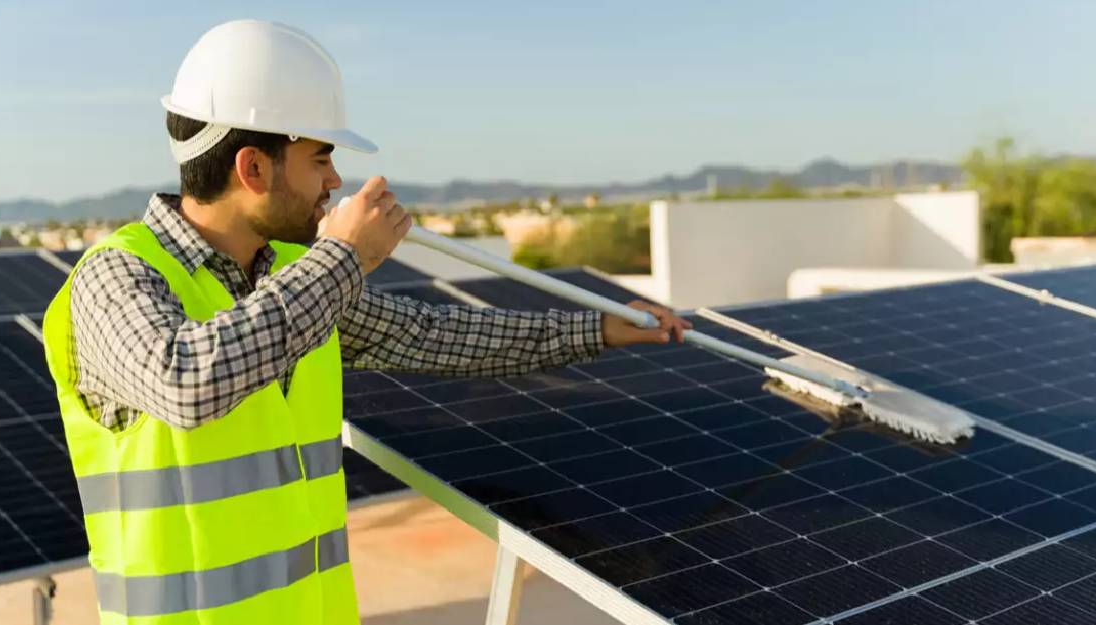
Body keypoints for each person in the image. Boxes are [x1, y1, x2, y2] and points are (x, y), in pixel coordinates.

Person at [41, 19, 690, 625]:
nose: (335, 179)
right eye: (320, 157)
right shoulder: (116, 277)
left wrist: (597, 328)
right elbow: (187, 382)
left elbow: (435, 336)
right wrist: (345, 256)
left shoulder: (291, 277)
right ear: (253, 167)